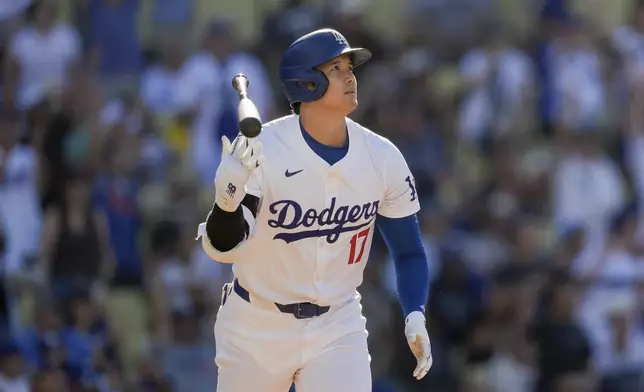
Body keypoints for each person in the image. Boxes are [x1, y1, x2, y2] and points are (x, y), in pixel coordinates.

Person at [197, 28, 432, 392]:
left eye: (349, 67)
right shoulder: (265, 149)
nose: (350, 76)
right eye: (336, 68)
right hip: (257, 323)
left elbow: (409, 250)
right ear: (306, 84)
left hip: (337, 323)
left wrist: (415, 311)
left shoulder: (381, 156)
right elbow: (222, 248)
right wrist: (227, 201)